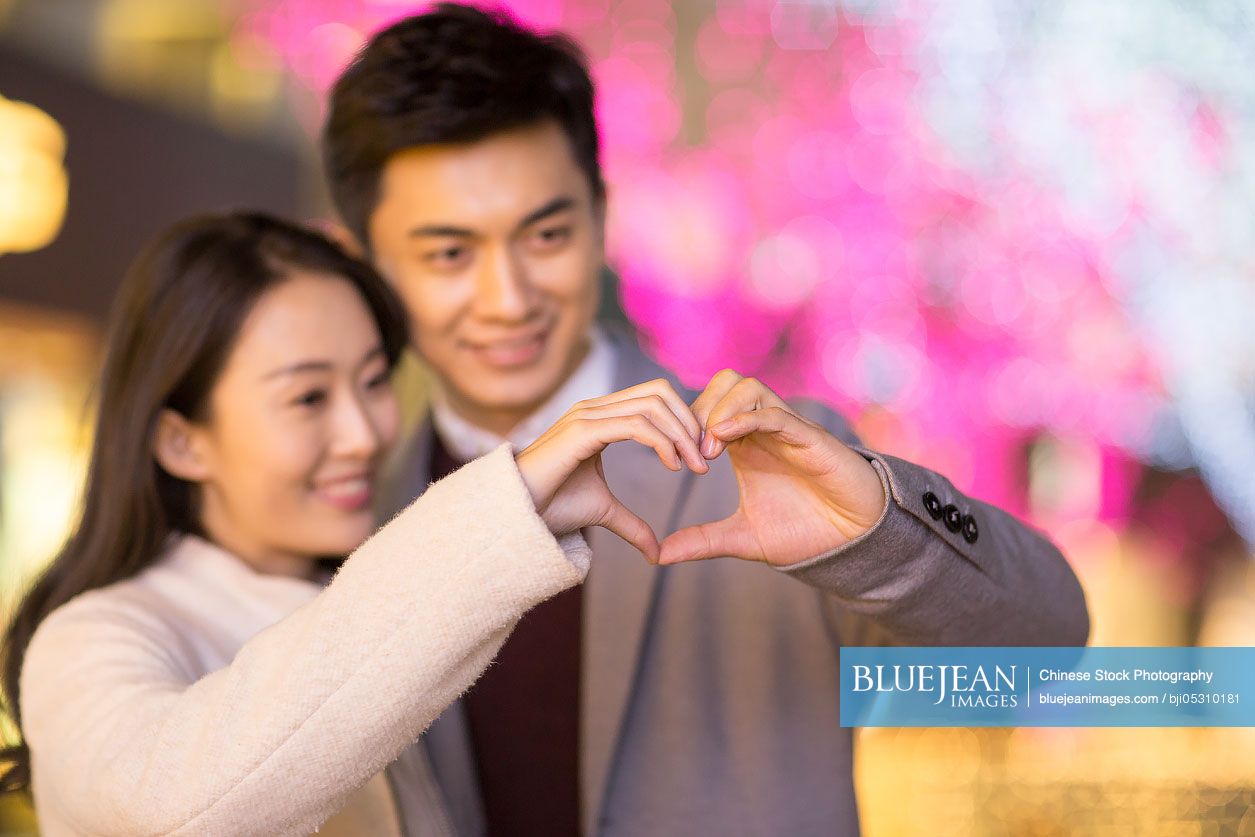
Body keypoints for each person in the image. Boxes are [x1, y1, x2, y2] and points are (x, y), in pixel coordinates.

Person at [321, 5, 1092, 836]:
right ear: (364, 265)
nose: (509, 299)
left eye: (546, 234)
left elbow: (1044, 650)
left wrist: (876, 530)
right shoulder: (349, 524)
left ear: (599, 216)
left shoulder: (770, 462)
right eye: (449, 254)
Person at [0, 211, 707, 836]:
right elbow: (168, 809)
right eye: (308, 397)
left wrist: (827, 576)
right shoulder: (94, 636)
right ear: (182, 440)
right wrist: (503, 507)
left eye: (374, 382)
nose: (364, 433)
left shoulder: (394, 585)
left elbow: (830, 693)